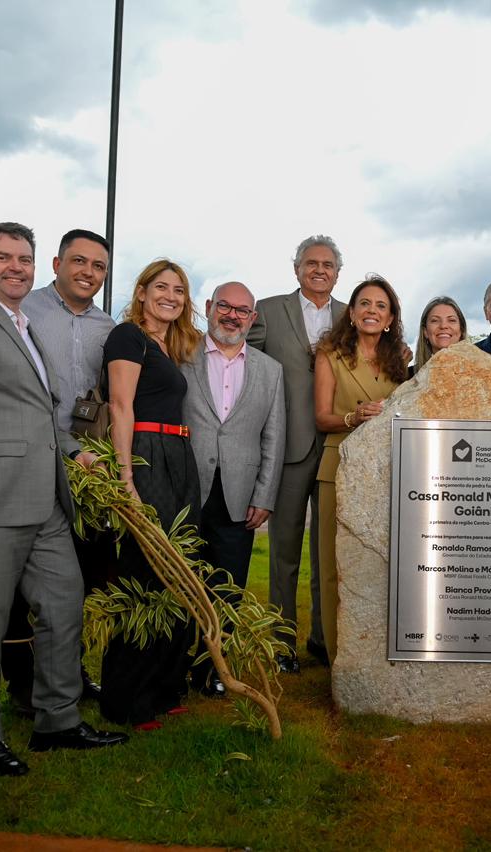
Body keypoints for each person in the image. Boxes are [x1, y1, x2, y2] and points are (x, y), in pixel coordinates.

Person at [0, 222, 126, 779]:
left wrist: (75, 454)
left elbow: (38, 418)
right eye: (3, 258)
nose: (15, 267)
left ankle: (57, 721)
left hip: (47, 502)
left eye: (23, 259)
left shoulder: (23, 327)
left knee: (65, 607)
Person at [3, 228, 115, 714]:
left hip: (87, 465)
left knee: (81, 577)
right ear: (56, 263)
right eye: (79, 262)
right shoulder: (24, 313)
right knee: (19, 585)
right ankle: (22, 684)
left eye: (98, 267)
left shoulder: (109, 328)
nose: (88, 273)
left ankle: (68, 671)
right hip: (31, 459)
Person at [99, 259, 203, 729]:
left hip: (178, 454)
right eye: (161, 286)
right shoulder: (128, 336)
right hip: (146, 452)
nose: (170, 295)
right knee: (145, 571)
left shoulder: (170, 344)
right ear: (141, 292)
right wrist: (125, 477)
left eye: (178, 290)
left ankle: (163, 687)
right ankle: (126, 699)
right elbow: (121, 405)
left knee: (178, 570)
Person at [247, 236, 347, 672]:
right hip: (287, 447)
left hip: (338, 449)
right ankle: (281, 644)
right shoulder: (268, 311)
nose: (319, 270)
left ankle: (323, 640)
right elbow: (243, 365)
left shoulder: (351, 315)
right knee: (284, 552)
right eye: (311, 263)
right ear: (297, 269)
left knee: (329, 552)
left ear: (337, 273)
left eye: (327, 264)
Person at [181, 282, 286, 696]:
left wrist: (265, 495)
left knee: (226, 588)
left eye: (242, 311)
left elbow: (273, 438)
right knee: (181, 582)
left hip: (239, 495)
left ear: (252, 318)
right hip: (186, 489)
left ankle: (213, 672)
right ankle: (173, 665)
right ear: (208, 307)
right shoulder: (181, 355)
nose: (232, 315)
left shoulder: (269, 370)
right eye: (224, 306)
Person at [314, 274, 408, 661]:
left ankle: (381, 659)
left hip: (390, 470)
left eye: (381, 306)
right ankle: (340, 658)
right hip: (338, 464)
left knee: (383, 566)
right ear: (351, 313)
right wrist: (354, 417)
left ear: (390, 319)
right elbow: (321, 417)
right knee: (335, 565)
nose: (372, 311)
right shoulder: (328, 355)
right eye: (365, 304)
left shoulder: (400, 359)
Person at [411, 295, 467, 374]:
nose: (443, 326)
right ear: (425, 331)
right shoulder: (407, 377)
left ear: (461, 330)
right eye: (435, 320)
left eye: (451, 320)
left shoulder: (481, 371)